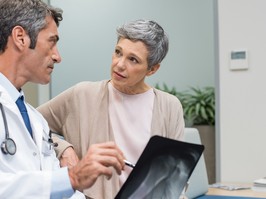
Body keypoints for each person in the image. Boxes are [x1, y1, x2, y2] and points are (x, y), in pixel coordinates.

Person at [37, 19, 185, 198]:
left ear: (152, 69)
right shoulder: (82, 94)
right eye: (118, 52)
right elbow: (30, 122)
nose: (119, 64)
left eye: (133, 60)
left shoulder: (170, 106)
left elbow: (177, 173)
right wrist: (63, 148)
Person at [0, 0, 126, 198]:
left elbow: (57, 188)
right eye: (52, 42)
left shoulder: (36, 121)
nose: (58, 57)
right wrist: (72, 177)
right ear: (20, 38)